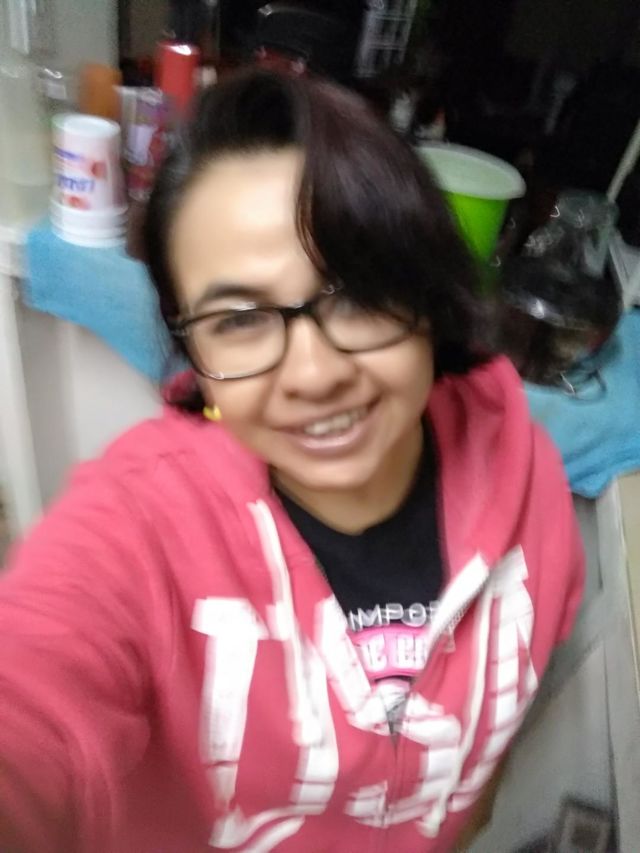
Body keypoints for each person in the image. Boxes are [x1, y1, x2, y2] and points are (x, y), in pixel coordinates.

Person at [0, 70, 584, 852]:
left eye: (358, 294)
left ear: (429, 296)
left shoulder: (528, 477)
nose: (314, 374)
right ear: (192, 351)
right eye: (239, 319)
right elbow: (34, 696)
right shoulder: (139, 522)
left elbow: (488, 751)